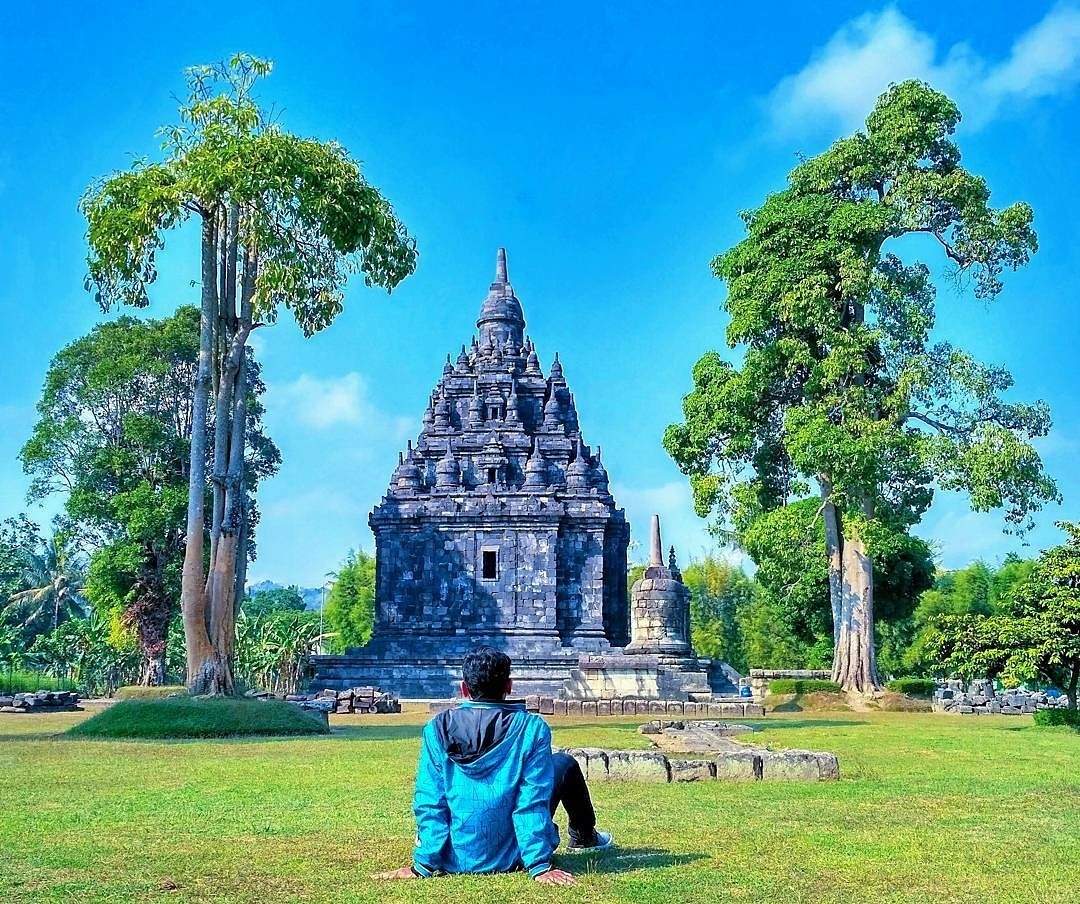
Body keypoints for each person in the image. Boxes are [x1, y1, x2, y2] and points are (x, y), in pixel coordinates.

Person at [374, 646, 613, 885]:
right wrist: (539, 864)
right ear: (509, 686)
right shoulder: (532, 728)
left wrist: (424, 864)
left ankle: (583, 836)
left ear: (464, 688)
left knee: (561, 763)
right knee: (564, 763)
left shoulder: (436, 729)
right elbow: (531, 800)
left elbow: (430, 799)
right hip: (513, 855)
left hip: (455, 856)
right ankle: (584, 837)